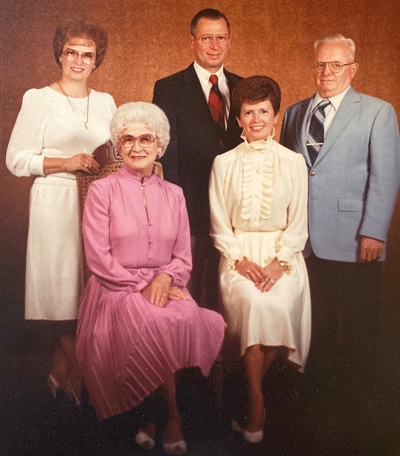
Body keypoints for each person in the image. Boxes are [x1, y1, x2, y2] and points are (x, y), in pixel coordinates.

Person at [75, 102, 225, 455]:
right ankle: (169, 416)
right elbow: (98, 259)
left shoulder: (175, 194)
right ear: (118, 145)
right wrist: (145, 284)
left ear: (160, 146)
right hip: (114, 287)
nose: (137, 147)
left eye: (146, 139)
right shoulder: (101, 191)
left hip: (166, 284)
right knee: (153, 322)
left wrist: (166, 279)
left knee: (187, 315)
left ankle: (150, 416)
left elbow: (183, 258)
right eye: (128, 139)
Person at [280, 34, 400, 412]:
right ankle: (320, 396)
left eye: (336, 65)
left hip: (353, 236)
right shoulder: (295, 112)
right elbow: (287, 174)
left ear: (353, 69)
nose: (327, 72)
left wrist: (373, 231)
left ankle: (361, 401)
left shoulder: (378, 111)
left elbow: (385, 176)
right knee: (316, 321)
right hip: (305, 239)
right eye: (320, 64)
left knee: (358, 320)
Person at [6, 18, 116, 405]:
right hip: (54, 205)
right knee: (60, 295)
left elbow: (112, 156)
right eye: (72, 52)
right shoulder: (39, 98)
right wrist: (65, 162)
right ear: (60, 54)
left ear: (96, 59)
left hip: (95, 205)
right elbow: (15, 160)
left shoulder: (105, 103)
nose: (79, 60)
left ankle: (59, 371)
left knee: (85, 293)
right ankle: (80, 372)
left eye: (88, 54)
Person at [209, 75, 311, 444]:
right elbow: (219, 225)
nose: (255, 120)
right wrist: (239, 261)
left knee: (277, 303)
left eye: (263, 111)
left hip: (283, 257)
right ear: (237, 118)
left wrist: (277, 263)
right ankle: (257, 401)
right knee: (253, 302)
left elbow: (298, 225)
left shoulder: (293, 162)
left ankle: (248, 389)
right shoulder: (223, 163)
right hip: (238, 256)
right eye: (248, 112)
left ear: (276, 115)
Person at [152, 8, 242, 310]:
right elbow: (168, 157)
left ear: (229, 41)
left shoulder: (244, 87)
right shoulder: (169, 89)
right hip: (190, 212)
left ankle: (223, 357)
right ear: (192, 41)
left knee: (227, 296)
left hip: (235, 215)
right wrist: (175, 216)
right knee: (185, 292)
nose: (214, 45)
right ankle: (188, 357)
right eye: (206, 38)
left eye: (220, 37)